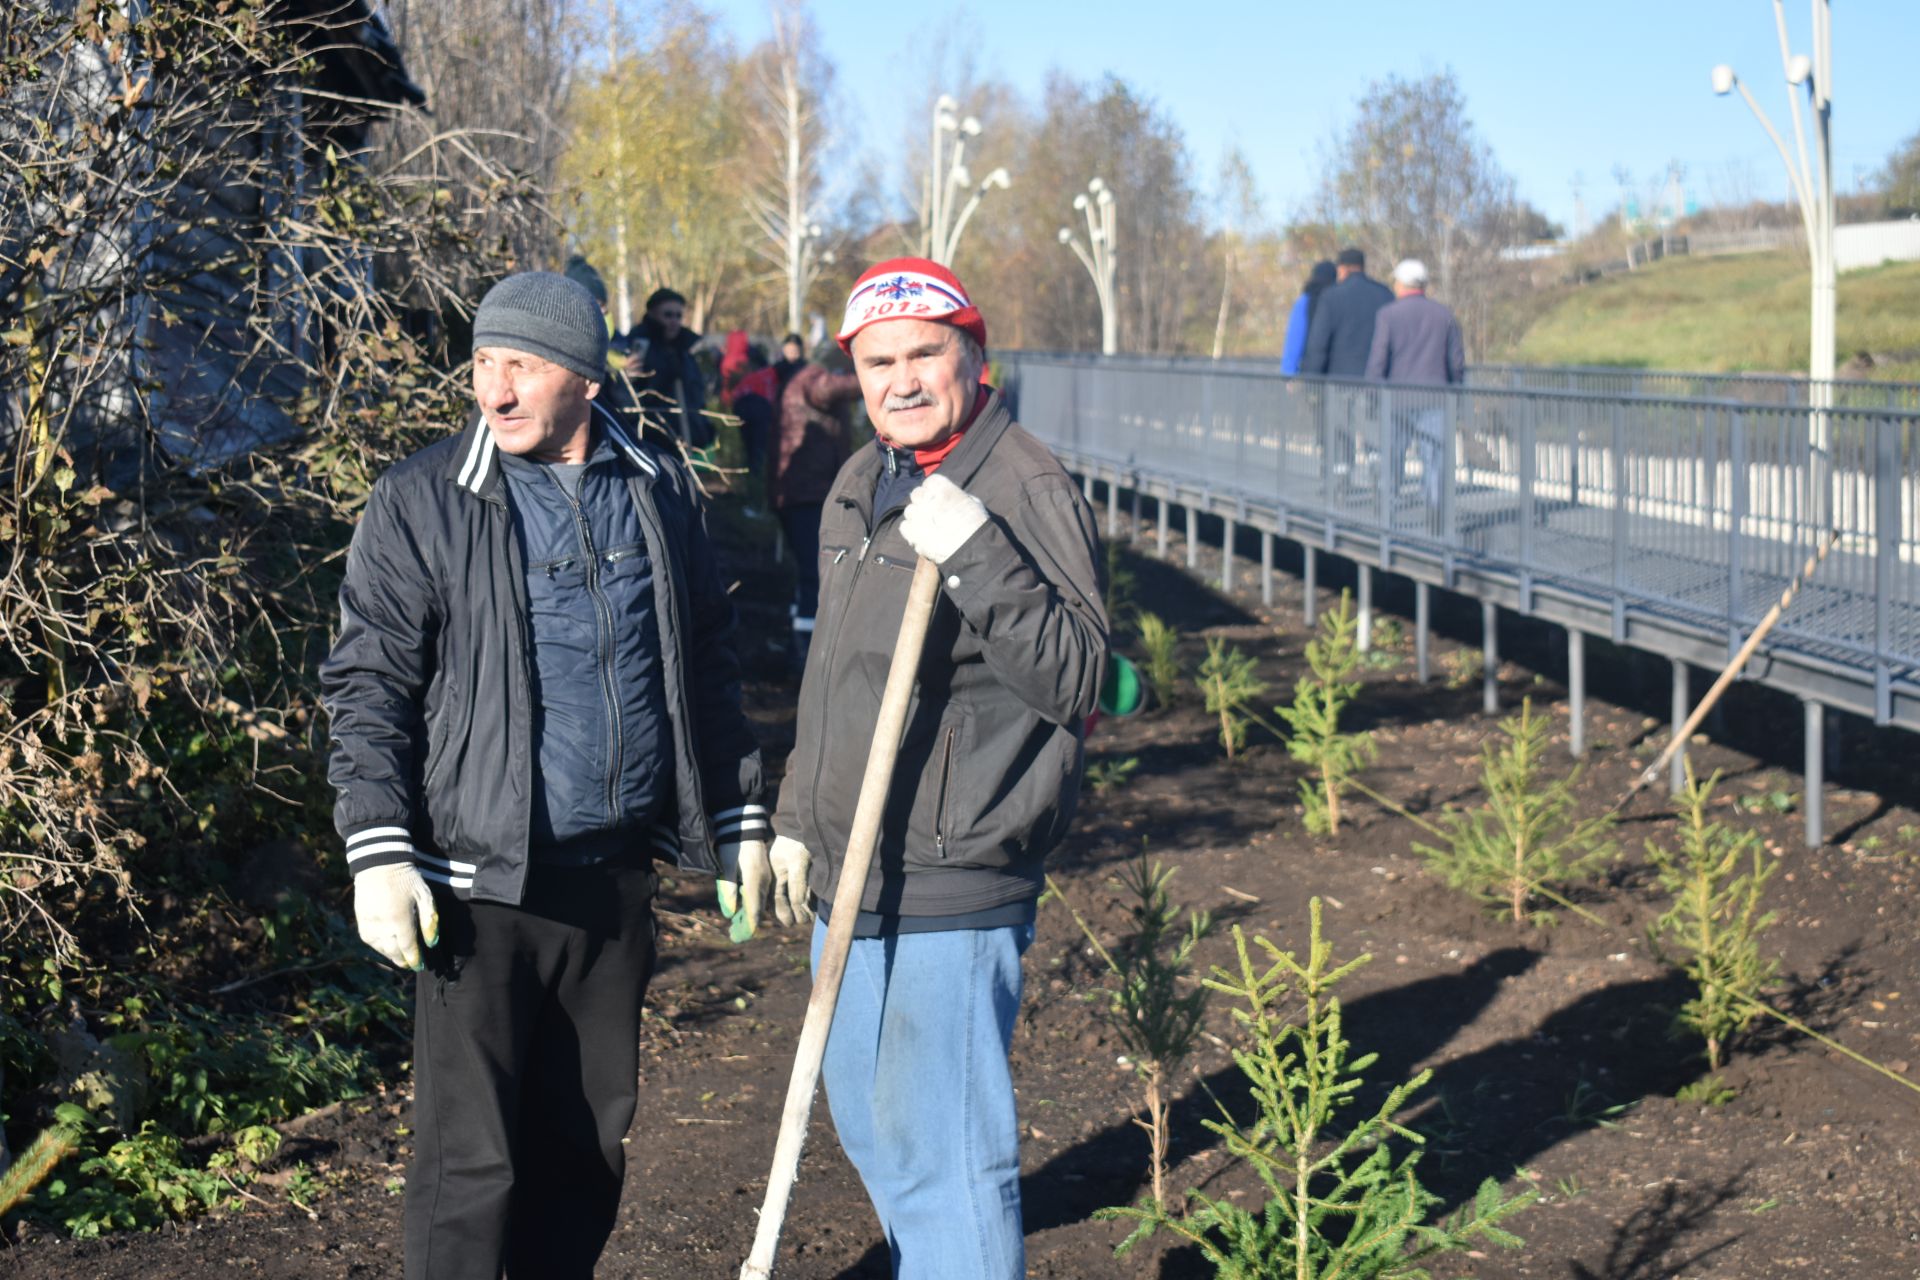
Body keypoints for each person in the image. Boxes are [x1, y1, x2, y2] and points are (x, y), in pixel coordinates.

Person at [319, 270, 794, 1280]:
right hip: (476, 889)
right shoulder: (423, 501)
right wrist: (377, 847)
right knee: (471, 1164)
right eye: (483, 363)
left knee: (585, 1148)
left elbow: (705, 658)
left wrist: (737, 810)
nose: (492, 389)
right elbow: (368, 685)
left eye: (519, 366)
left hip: (613, 881)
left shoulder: (657, 486)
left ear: (583, 376)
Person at [770, 257, 1108, 1277]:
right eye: (880, 361)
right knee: (874, 1130)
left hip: (951, 869)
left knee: (944, 1158)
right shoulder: (862, 475)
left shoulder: (1022, 483)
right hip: (852, 859)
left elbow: (1079, 678)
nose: (902, 379)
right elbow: (834, 671)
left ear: (973, 357)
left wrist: (979, 553)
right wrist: (797, 813)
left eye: (925, 354)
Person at [769, 348, 859, 669]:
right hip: (806, 493)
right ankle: (806, 653)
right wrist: (871, 376)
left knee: (807, 572)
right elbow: (827, 389)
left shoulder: (802, 379)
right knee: (814, 574)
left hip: (799, 491)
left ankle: (799, 638)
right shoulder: (814, 380)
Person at [1365, 258, 1466, 506]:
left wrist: (1372, 391)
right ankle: (1434, 506)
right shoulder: (1444, 315)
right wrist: (1456, 388)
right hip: (1435, 396)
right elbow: (1456, 361)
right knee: (1434, 455)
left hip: (1396, 398)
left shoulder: (1388, 315)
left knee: (1393, 453)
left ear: (1400, 284)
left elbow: (1378, 358)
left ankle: (1388, 502)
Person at [626, 286, 712, 450]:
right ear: (652, 313)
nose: (674, 321)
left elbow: (696, 394)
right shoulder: (639, 346)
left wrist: (702, 428)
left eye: (678, 315)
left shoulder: (687, 348)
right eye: (668, 315)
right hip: (651, 440)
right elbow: (631, 393)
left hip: (686, 439)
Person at [1301, 246, 1393, 378]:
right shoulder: (1385, 294)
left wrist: (1310, 379)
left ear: (1343, 269)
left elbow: (1318, 345)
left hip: (1339, 382)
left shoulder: (1331, 296)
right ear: (1362, 267)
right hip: (1377, 383)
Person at [1279, 259, 1337, 376]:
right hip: (1337, 375)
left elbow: (1295, 339)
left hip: (1311, 374)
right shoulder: (1337, 300)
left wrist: (1289, 373)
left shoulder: (1305, 301)